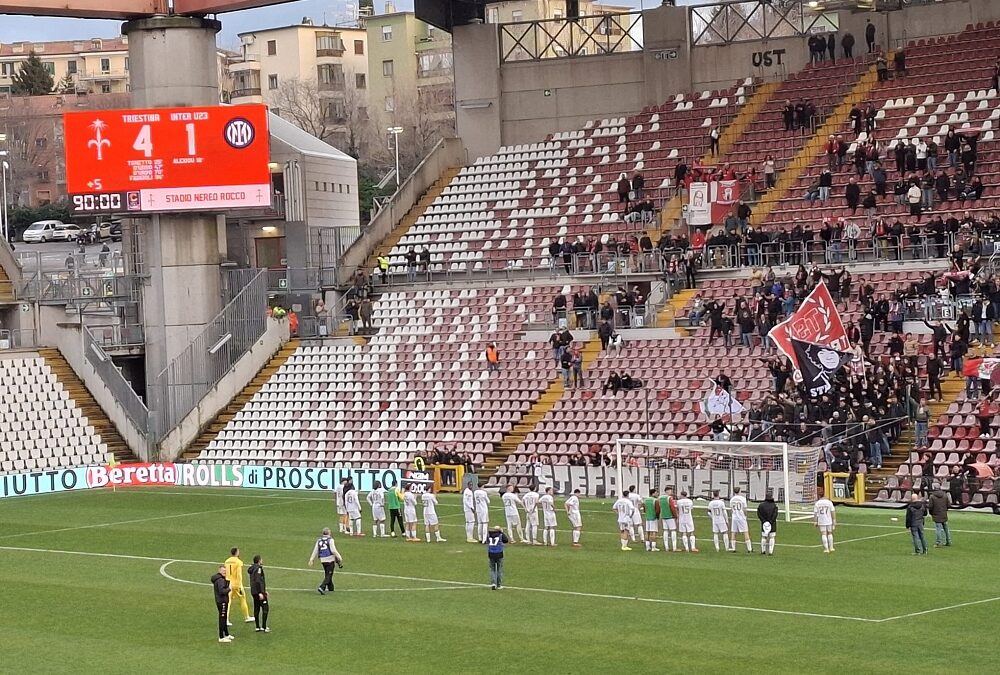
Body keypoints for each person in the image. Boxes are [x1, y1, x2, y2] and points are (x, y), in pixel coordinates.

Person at [307, 527, 343, 594]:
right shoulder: (330, 540)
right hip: (330, 559)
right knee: (329, 575)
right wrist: (339, 557)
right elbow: (333, 550)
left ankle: (331, 588)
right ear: (329, 533)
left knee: (327, 574)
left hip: (323, 560)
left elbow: (315, 550)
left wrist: (311, 559)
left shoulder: (319, 540)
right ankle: (322, 587)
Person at [224, 547, 254, 626]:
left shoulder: (226, 561)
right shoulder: (238, 562)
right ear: (237, 553)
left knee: (228, 602)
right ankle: (246, 617)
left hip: (228, 583)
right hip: (236, 584)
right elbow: (239, 574)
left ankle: (226, 620)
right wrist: (239, 585)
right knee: (242, 599)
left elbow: (226, 572)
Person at [211, 565, 233, 643]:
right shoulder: (220, 580)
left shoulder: (219, 579)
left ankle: (226, 634)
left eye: (225, 571)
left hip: (221, 601)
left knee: (224, 617)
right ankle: (221, 636)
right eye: (223, 571)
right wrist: (229, 588)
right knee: (222, 618)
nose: (225, 572)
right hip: (222, 601)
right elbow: (222, 591)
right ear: (219, 571)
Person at [247, 554, 269, 633]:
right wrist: (261, 592)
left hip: (253, 592)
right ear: (259, 561)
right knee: (265, 608)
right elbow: (258, 581)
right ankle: (264, 627)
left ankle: (257, 627)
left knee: (256, 608)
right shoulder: (258, 569)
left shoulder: (252, 569)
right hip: (259, 592)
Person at [484, 524, 510, 590]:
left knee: (492, 569)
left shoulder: (489, 535)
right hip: (499, 553)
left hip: (491, 553)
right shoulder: (500, 535)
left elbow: (486, 541)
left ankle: (493, 583)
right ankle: (498, 585)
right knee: (499, 569)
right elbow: (506, 540)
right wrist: (502, 532)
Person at [928, 483, 952, 547]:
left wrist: (931, 513)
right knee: (946, 528)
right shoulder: (945, 495)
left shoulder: (932, 496)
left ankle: (938, 542)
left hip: (936, 514)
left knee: (938, 529)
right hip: (944, 514)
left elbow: (930, 506)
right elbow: (949, 505)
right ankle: (948, 541)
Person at [729, 487, 752, 553]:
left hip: (734, 518)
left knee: (733, 532)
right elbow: (745, 509)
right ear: (739, 491)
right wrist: (745, 516)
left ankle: (733, 548)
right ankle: (749, 549)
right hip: (741, 517)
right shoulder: (743, 499)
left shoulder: (732, 499)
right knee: (745, 532)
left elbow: (731, 509)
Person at [757, 490, 778, 555]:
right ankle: (770, 551)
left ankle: (763, 551)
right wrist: (771, 521)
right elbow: (775, 515)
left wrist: (763, 521)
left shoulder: (761, 505)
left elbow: (759, 514)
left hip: (764, 523)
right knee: (772, 537)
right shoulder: (774, 505)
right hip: (772, 523)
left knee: (764, 537)